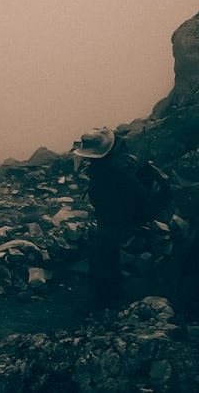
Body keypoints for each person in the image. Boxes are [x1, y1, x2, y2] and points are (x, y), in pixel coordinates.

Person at [72, 127, 151, 310]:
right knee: (109, 255)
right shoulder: (117, 160)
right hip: (112, 217)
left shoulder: (115, 167)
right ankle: (114, 295)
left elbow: (138, 194)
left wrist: (123, 215)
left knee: (101, 257)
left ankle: (101, 299)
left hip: (116, 218)